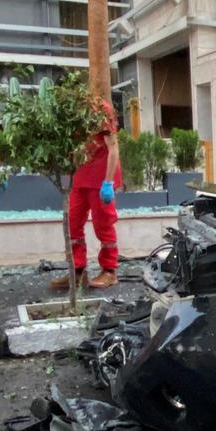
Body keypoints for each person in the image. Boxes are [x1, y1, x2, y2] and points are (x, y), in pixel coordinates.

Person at [50, 100, 121, 291]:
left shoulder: (100, 110)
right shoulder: (69, 113)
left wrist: (108, 182)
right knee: (72, 223)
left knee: (102, 224)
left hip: (100, 177)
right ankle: (78, 270)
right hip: (80, 176)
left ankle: (109, 271)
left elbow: (113, 148)